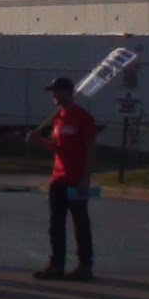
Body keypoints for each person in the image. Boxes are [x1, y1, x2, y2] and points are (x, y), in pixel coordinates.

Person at [29, 77, 97, 281]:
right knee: (56, 224)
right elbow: (57, 147)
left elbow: (91, 149)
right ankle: (56, 264)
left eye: (56, 91)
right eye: (52, 92)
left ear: (68, 91)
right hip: (58, 178)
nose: (54, 95)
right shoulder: (58, 118)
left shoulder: (83, 118)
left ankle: (85, 265)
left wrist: (86, 178)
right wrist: (39, 140)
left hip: (76, 179)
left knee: (80, 224)